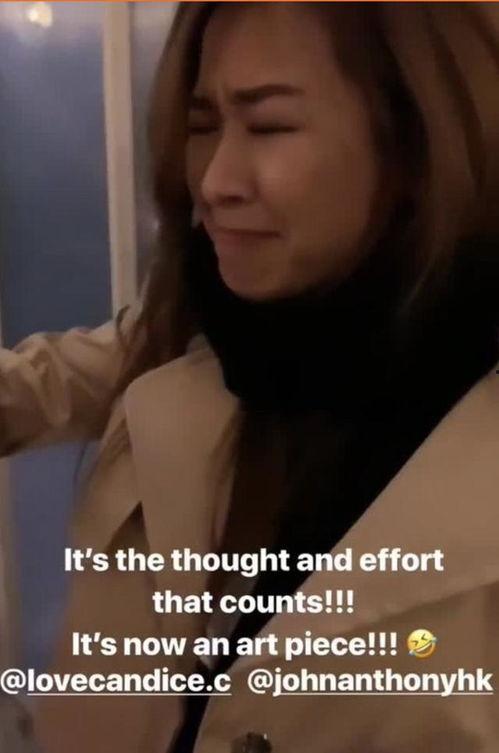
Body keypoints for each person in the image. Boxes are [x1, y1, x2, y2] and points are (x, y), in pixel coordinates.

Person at [2, 2, 499, 751]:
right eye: (202, 126)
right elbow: (45, 381)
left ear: (414, 146)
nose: (214, 181)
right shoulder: (203, 336)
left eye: (268, 126)